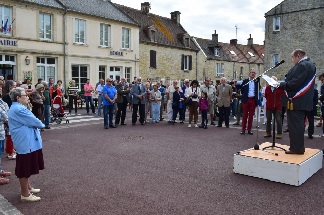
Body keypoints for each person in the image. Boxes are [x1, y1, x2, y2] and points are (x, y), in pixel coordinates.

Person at [8, 87, 45, 202]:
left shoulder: (18, 107)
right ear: (18, 98)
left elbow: (31, 121)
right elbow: (34, 121)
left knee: (27, 165)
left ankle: (28, 188)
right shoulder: (19, 109)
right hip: (25, 141)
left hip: (26, 140)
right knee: (24, 167)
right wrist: (40, 125)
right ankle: (25, 194)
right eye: (25, 95)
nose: (27, 97)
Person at [278, 49, 316, 154]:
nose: (292, 60)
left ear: (298, 56)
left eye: (292, 57)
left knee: (295, 125)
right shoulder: (310, 64)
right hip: (301, 101)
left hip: (297, 101)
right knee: (297, 124)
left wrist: (280, 85)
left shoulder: (303, 65)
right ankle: (297, 147)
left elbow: (294, 83)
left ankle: (297, 148)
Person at [240, 68, 259, 135]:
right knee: (245, 115)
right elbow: (242, 90)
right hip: (246, 99)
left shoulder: (256, 82)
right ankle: (243, 129)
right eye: (252, 72)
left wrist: (256, 100)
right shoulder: (245, 81)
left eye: (254, 73)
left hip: (253, 99)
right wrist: (244, 96)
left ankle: (249, 129)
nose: (253, 74)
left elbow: (257, 91)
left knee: (251, 115)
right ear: (249, 73)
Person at [0, 89, 11, 185]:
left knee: (0, 152)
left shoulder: (1, 101)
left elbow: (7, 110)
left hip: (1, 130)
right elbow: (4, 116)